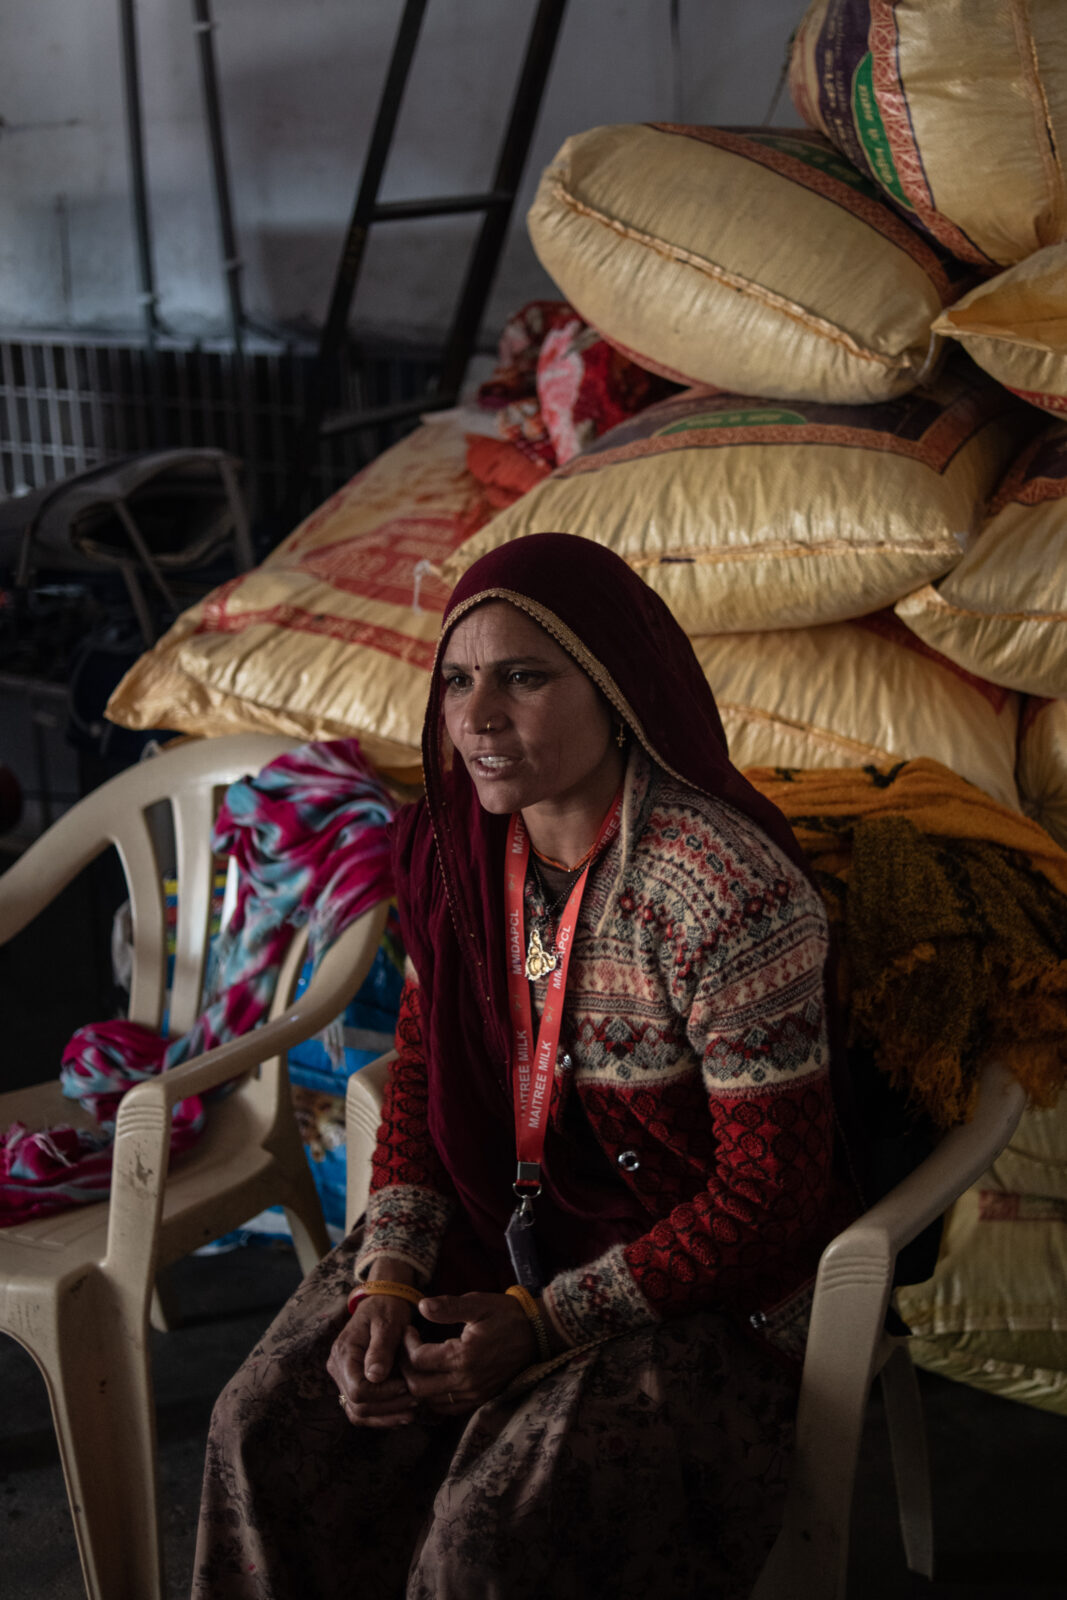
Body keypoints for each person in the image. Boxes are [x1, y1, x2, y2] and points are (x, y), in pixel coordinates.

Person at [192, 532, 858, 1600]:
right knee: (266, 1423)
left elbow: (768, 1196)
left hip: (691, 1286)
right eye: (457, 681)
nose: (477, 718)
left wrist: (546, 1320)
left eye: (523, 676)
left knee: (490, 1533)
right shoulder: (453, 852)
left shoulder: (722, 891)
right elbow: (419, 1076)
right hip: (495, 1217)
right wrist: (390, 1277)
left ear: (617, 690)